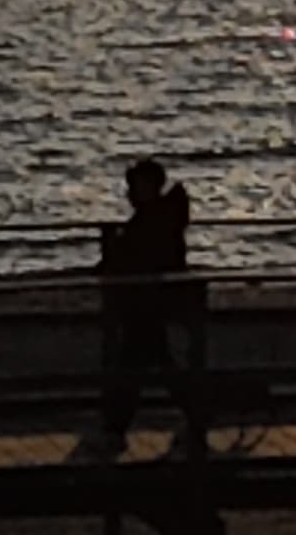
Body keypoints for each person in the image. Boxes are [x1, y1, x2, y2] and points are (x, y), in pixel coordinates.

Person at [95, 157, 198, 443]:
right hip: (149, 301)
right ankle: (195, 415)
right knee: (156, 366)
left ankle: (115, 430)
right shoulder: (160, 216)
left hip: (147, 302)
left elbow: (141, 256)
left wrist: (114, 249)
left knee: (133, 368)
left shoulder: (153, 219)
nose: (131, 193)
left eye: (136, 186)